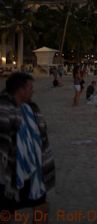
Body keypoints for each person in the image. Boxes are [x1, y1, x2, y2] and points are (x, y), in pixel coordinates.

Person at [0, 72, 56, 220]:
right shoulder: (3, 109)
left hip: (34, 170)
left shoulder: (32, 107)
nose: (33, 91)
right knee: (6, 213)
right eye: (30, 88)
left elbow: (42, 135)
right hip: (11, 171)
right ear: (21, 90)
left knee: (42, 207)